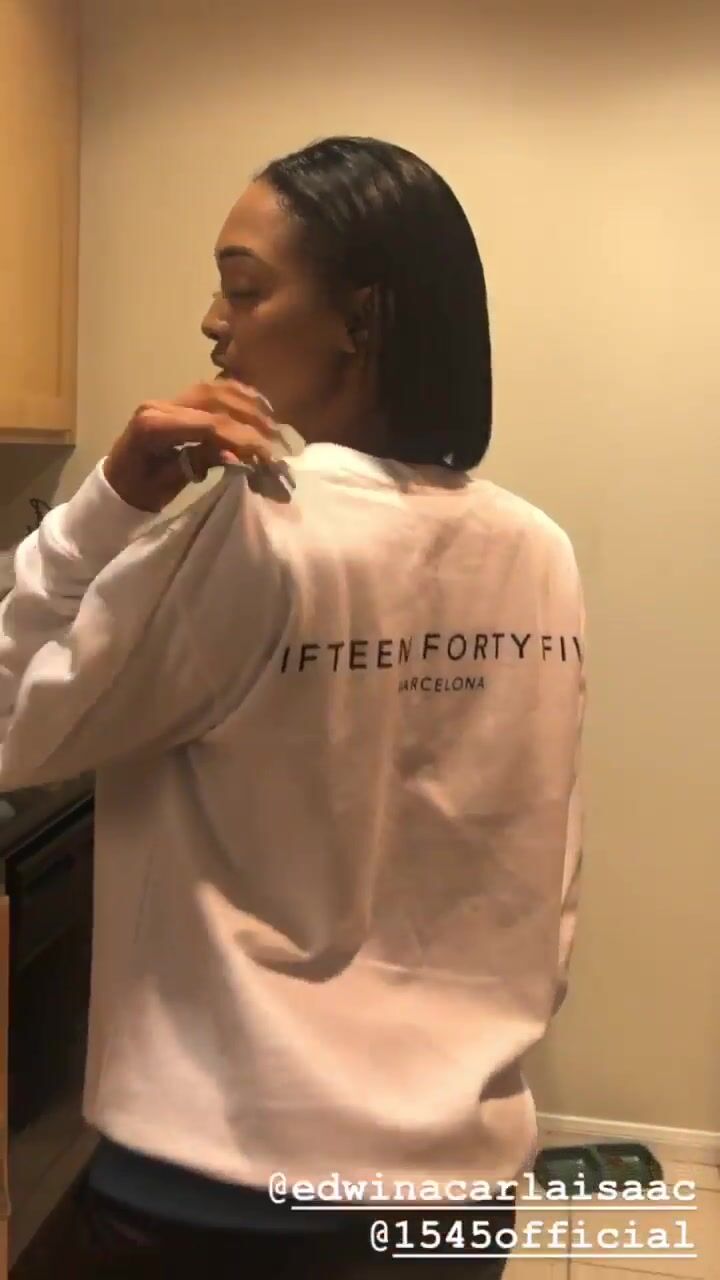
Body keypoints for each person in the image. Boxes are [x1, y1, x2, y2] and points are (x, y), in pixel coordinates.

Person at [0, 137, 586, 1278]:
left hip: (226, 1186)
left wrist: (105, 506)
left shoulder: (262, 527)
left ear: (360, 318)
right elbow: (544, 865)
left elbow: (17, 723)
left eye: (245, 285)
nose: (214, 322)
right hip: (454, 1189)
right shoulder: (540, 550)